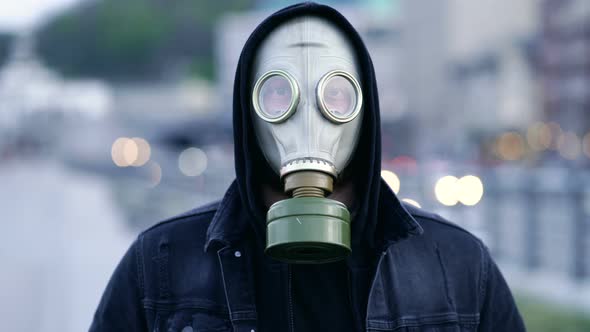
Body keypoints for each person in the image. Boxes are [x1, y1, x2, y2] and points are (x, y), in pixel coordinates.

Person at [90, 3, 526, 331]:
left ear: (364, 108)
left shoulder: (458, 266)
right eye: (278, 94)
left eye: (336, 95)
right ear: (249, 108)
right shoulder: (160, 265)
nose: (308, 119)